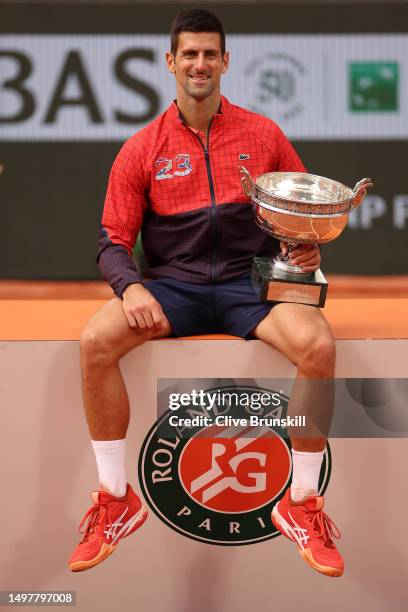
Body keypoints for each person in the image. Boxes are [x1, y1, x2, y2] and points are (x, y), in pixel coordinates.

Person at [69, 8, 343, 577]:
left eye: (209, 53)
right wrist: (131, 288)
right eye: (188, 54)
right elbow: (112, 241)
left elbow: (301, 214)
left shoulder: (263, 135)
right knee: (96, 340)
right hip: (176, 288)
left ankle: (302, 506)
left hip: (250, 285)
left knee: (317, 348)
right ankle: (114, 500)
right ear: (171, 63)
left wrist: (305, 248)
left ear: (226, 61)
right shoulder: (141, 148)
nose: (199, 63)